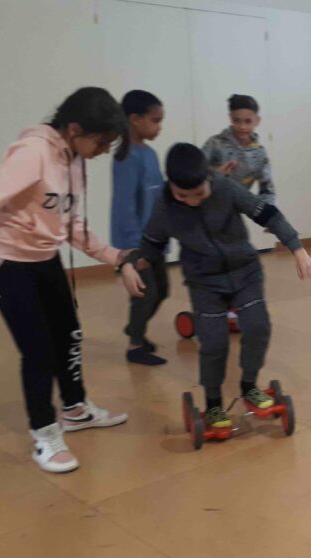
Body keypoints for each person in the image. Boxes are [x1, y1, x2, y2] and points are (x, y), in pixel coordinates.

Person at [0, 87, 131, 473]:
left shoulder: (75, 159)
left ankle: (75, 408)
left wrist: (114, 256)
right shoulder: (33, 153)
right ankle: (44, 433)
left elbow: (71, 224)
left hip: (45, 260)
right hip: (9, 263)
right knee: (37, 352)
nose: (104, 150)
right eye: (101, 141)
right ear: (75, 128)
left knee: (69, 335)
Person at [120, 143, 311, 430]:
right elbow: (150, 245)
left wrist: (297, 248)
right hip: (204, 282)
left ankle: (249, 385)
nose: (191, 201)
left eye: (199, 193)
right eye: (182, 195)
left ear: (208, 178)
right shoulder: (164, 205)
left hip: (245, 272)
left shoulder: (225, 188)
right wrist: (130, 265)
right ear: (170, 185)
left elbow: (267, 214)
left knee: (258, 327)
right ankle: (213, 404)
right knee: (213, 343)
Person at [112, 90, 168, 365]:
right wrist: (135, 249)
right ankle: (135, 346)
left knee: (162, 290)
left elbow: (159, 194)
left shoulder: (150, 154)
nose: (159, 127)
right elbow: (124, 207)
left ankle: (135, 328)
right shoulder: (125, 159)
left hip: (154, 239)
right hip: (135, 243)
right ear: (135, 119)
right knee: (145, 293)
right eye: (155, 121)